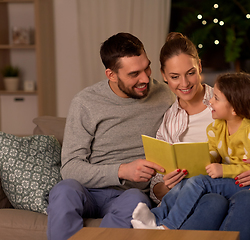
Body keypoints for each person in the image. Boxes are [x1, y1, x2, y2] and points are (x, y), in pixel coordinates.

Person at [46, 32, 230, 240]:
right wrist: (122, 170)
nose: (145, 79)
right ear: (111, 75)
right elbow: (70, 167)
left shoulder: (167, 94)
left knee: (135, 200)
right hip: (87, 190)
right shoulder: (85, 103)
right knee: (63, 190)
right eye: (134, 74)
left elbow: (198, 99)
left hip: (130, 194)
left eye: (147, 68)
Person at [132, 32, 250, 240]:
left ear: (200, 67)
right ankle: (158, 222)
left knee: (235, 198)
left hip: (232, 186)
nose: (185, 83)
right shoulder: (169, 119)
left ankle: (161, 225)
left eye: (191, 73)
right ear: (164, 75)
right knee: (213, 200)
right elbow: (156, 189)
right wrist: (165, 186)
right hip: (197, 196)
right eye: (175, 77)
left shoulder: (228, 99)